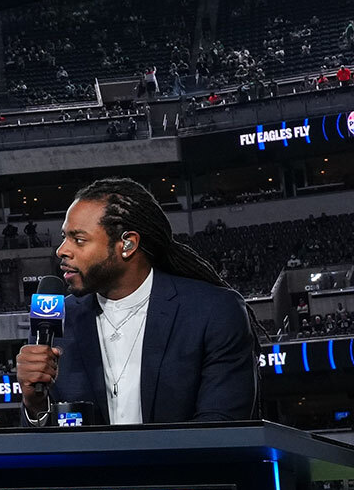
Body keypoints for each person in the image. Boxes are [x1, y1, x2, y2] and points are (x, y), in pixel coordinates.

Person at [15, 178, 256, 425]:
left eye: (78, 239)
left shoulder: (213, 311)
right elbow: (40, 445)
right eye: (65, 237)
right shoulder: (54, 322)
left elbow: (221, 430)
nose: (62, 250)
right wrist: (33, 404)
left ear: (127, 244)